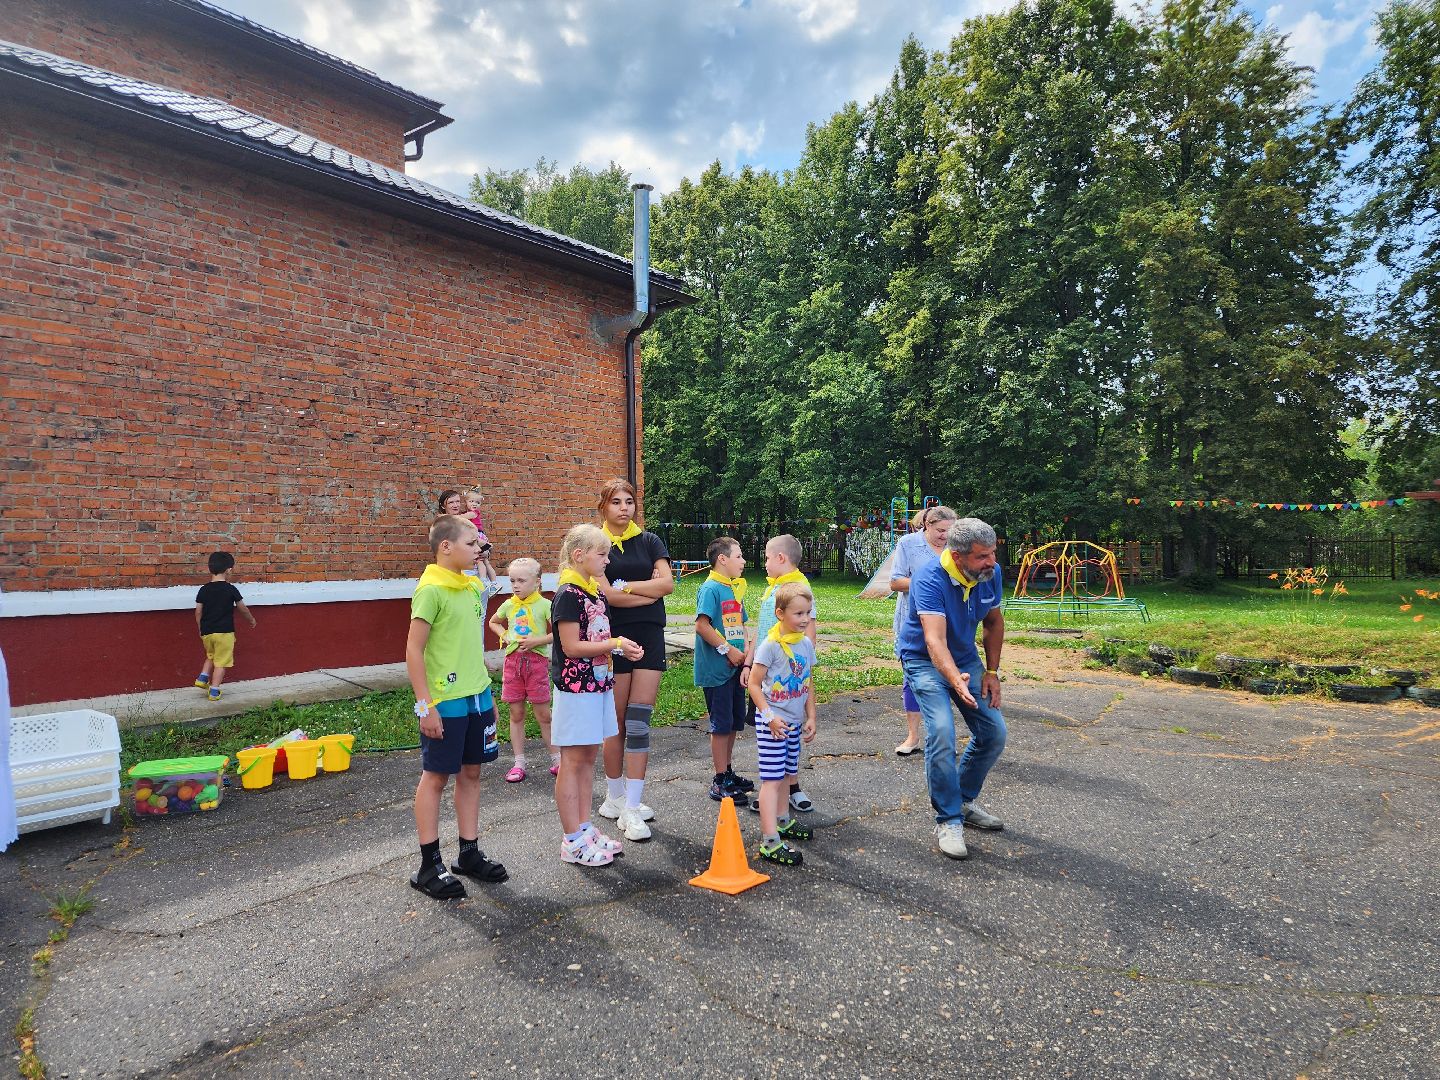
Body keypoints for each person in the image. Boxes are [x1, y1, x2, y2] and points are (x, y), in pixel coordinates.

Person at [406, 515, 507, 899]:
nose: (479, 549)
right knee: (436, 776)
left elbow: (470, 648)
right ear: (445, 546)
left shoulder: (470, 586)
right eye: (471, 543)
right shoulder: (430, 589)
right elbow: (413, 651)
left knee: (472, 773)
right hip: (443, 700)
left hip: (475, 695)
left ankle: (468, 852)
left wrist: (487, 693)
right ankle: (429, 864)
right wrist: (424, 705)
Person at [895, 517, 1007, 860]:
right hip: (923, 659)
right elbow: (933, 640)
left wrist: (990, 671)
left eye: (992, 553)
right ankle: (948, 818)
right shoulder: (929, 578)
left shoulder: (991, 574)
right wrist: (954, 678)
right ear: (957, 556)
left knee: (994, 733)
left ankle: (962, 800)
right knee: (941, 731)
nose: (991, 562)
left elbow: (993, 621)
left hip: (965, 658)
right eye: (981, 556)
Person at [551, 524, 644, 867]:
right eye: (602, 554)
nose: (608, 561)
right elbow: (572, 647)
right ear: (579, 556)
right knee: (572, 762)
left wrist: (619, 648)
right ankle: (572, 840)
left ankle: (585, 828)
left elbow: (596, 635)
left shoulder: (593, 592)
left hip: (597, 684)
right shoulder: (568, 594)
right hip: (576, 689)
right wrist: (615, 644)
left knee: (587, 759)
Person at [594, 479, 674, 842]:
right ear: (603, 508)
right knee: (617, 722)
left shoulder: (650, 540)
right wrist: (646, 591)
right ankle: (614, 797)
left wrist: (625, 588)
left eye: (629, 502)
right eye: (616, 502)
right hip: (613, 637)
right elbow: (605, 596)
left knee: (640, 720)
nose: (624, 508)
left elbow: (668, 586)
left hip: (650, 634)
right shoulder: (596, 545)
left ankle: (632, 806)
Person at [743, 534, 819, 814]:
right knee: (771, 734)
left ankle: (791, 788)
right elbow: (763, 630)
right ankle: (771, 790)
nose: (764, 563)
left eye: (766, 557)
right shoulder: (772, 589)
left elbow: (808, 631)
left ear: (780, 558)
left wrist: (802, 663)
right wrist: (749, 663)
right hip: (767, 672)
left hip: (788, 672)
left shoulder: (797, 587)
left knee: (789, 733)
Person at [746, 581, 818, 867]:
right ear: (780, 614)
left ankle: (783, 822)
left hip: (793, 722)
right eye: (798, 614)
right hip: (773, 723)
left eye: (808, 613)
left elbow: (808, 682)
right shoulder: (770, 646)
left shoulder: (805, 644)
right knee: (772, 781)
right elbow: (753, 684)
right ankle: (770, 840)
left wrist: (811, 716)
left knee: (789, 775)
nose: (804, 620)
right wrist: (769, 718)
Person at [890, 505, 959, 755]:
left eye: (949, 531)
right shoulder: (908, 544)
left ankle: (941, 737)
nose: (945, 536)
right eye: (941, 530)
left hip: (947, 622)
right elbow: (896, 581)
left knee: (948, 675)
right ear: (927, 525)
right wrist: (930, 584)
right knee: (912, 679)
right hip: (913, 623)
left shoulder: (955, 546)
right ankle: (912, 737)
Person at [693, 536, 754, 802]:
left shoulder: (735, 588)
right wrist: (728, 650)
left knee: (732, 723)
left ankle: (728, 772)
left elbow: (744, 625)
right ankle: (719, 780)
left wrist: (746, 660)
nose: (743, 561)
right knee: (720, 726)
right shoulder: (711, 589)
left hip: (736, 669)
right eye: (739, 556)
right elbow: (702, 626)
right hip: (717, 671)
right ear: (723, 559)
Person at [488, 557, 556, 783]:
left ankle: (557, 759)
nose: (516, 585)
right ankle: (519, 763)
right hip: (513, 664)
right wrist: (504, 635)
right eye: (512, 580)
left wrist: (537, 641)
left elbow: (557, 631)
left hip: (536, 664)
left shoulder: (546, 605)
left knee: (544, 715)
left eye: (521, 580)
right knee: (516, 714)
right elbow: (494, 622)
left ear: (537, 582)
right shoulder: (509, 604)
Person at [192, 551, 256, 701]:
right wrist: (251, 619)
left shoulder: (203, 589)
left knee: (211, 655)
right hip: (225, 633)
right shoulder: (230, 589)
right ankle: (214, 691)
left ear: (210, 568)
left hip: (207, 632)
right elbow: (242, 608)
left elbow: (198, 612)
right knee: (221, 662)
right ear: (229, 570)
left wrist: (201, 628)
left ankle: (202, 678)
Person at [463, 489, 499, 586]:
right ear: (466, 502)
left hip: (477, 535)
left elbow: (460, 518)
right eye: (471, 501)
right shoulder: (473, 513)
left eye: (477, 502)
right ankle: (493, 582)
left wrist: (446, 517)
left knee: (480, 560)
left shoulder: (473, 513)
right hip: (481, 535)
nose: (474, 504)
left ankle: (484, 580)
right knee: (485, 562)